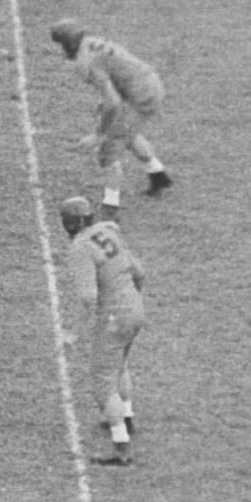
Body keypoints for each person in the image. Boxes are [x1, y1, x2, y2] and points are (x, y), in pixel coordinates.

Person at [51, 20, 173, 216]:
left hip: (141, 95)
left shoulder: (86, 61)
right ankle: (158, 175)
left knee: (109, 150)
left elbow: (113, 103)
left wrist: (99, 134)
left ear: (68, 43)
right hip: (147, 83)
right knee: (126, 131)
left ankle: (110, 208)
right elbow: (117, 72)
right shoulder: (91, 42)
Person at [59, 196, 148, 466]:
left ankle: (121, 447)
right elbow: (139, 272)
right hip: (134, 306)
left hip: (114, 315)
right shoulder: (109, 231)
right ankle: (127, 416)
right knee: (120, 365)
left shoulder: (81, 247)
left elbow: (88, 297)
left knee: (102, 383)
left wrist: (74, 333)